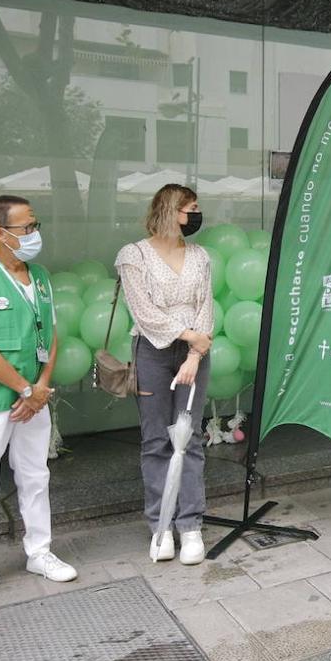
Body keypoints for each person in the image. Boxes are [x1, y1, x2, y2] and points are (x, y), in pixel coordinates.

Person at [0, 195, 77, 610]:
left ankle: (39, 553)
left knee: (34, 476)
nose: (35, 234)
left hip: (33, 398)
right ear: (1, 234)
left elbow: (51, 334)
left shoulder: (39, 275)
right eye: (27, 228)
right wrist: (27, 390)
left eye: (36, 224)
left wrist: (41, 386)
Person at [115, 184, 216, 565]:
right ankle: (161, 526)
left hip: (195, 354)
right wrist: (191, 337)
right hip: (152, 353)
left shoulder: (200, 256)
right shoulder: (133, 255)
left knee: (188, 437)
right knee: (156, 439)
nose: (196, 214)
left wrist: (195, 353)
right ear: (172, 210)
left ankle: (190, 525)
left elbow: (206, 305)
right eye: (191, 208)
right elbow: (143, 312)